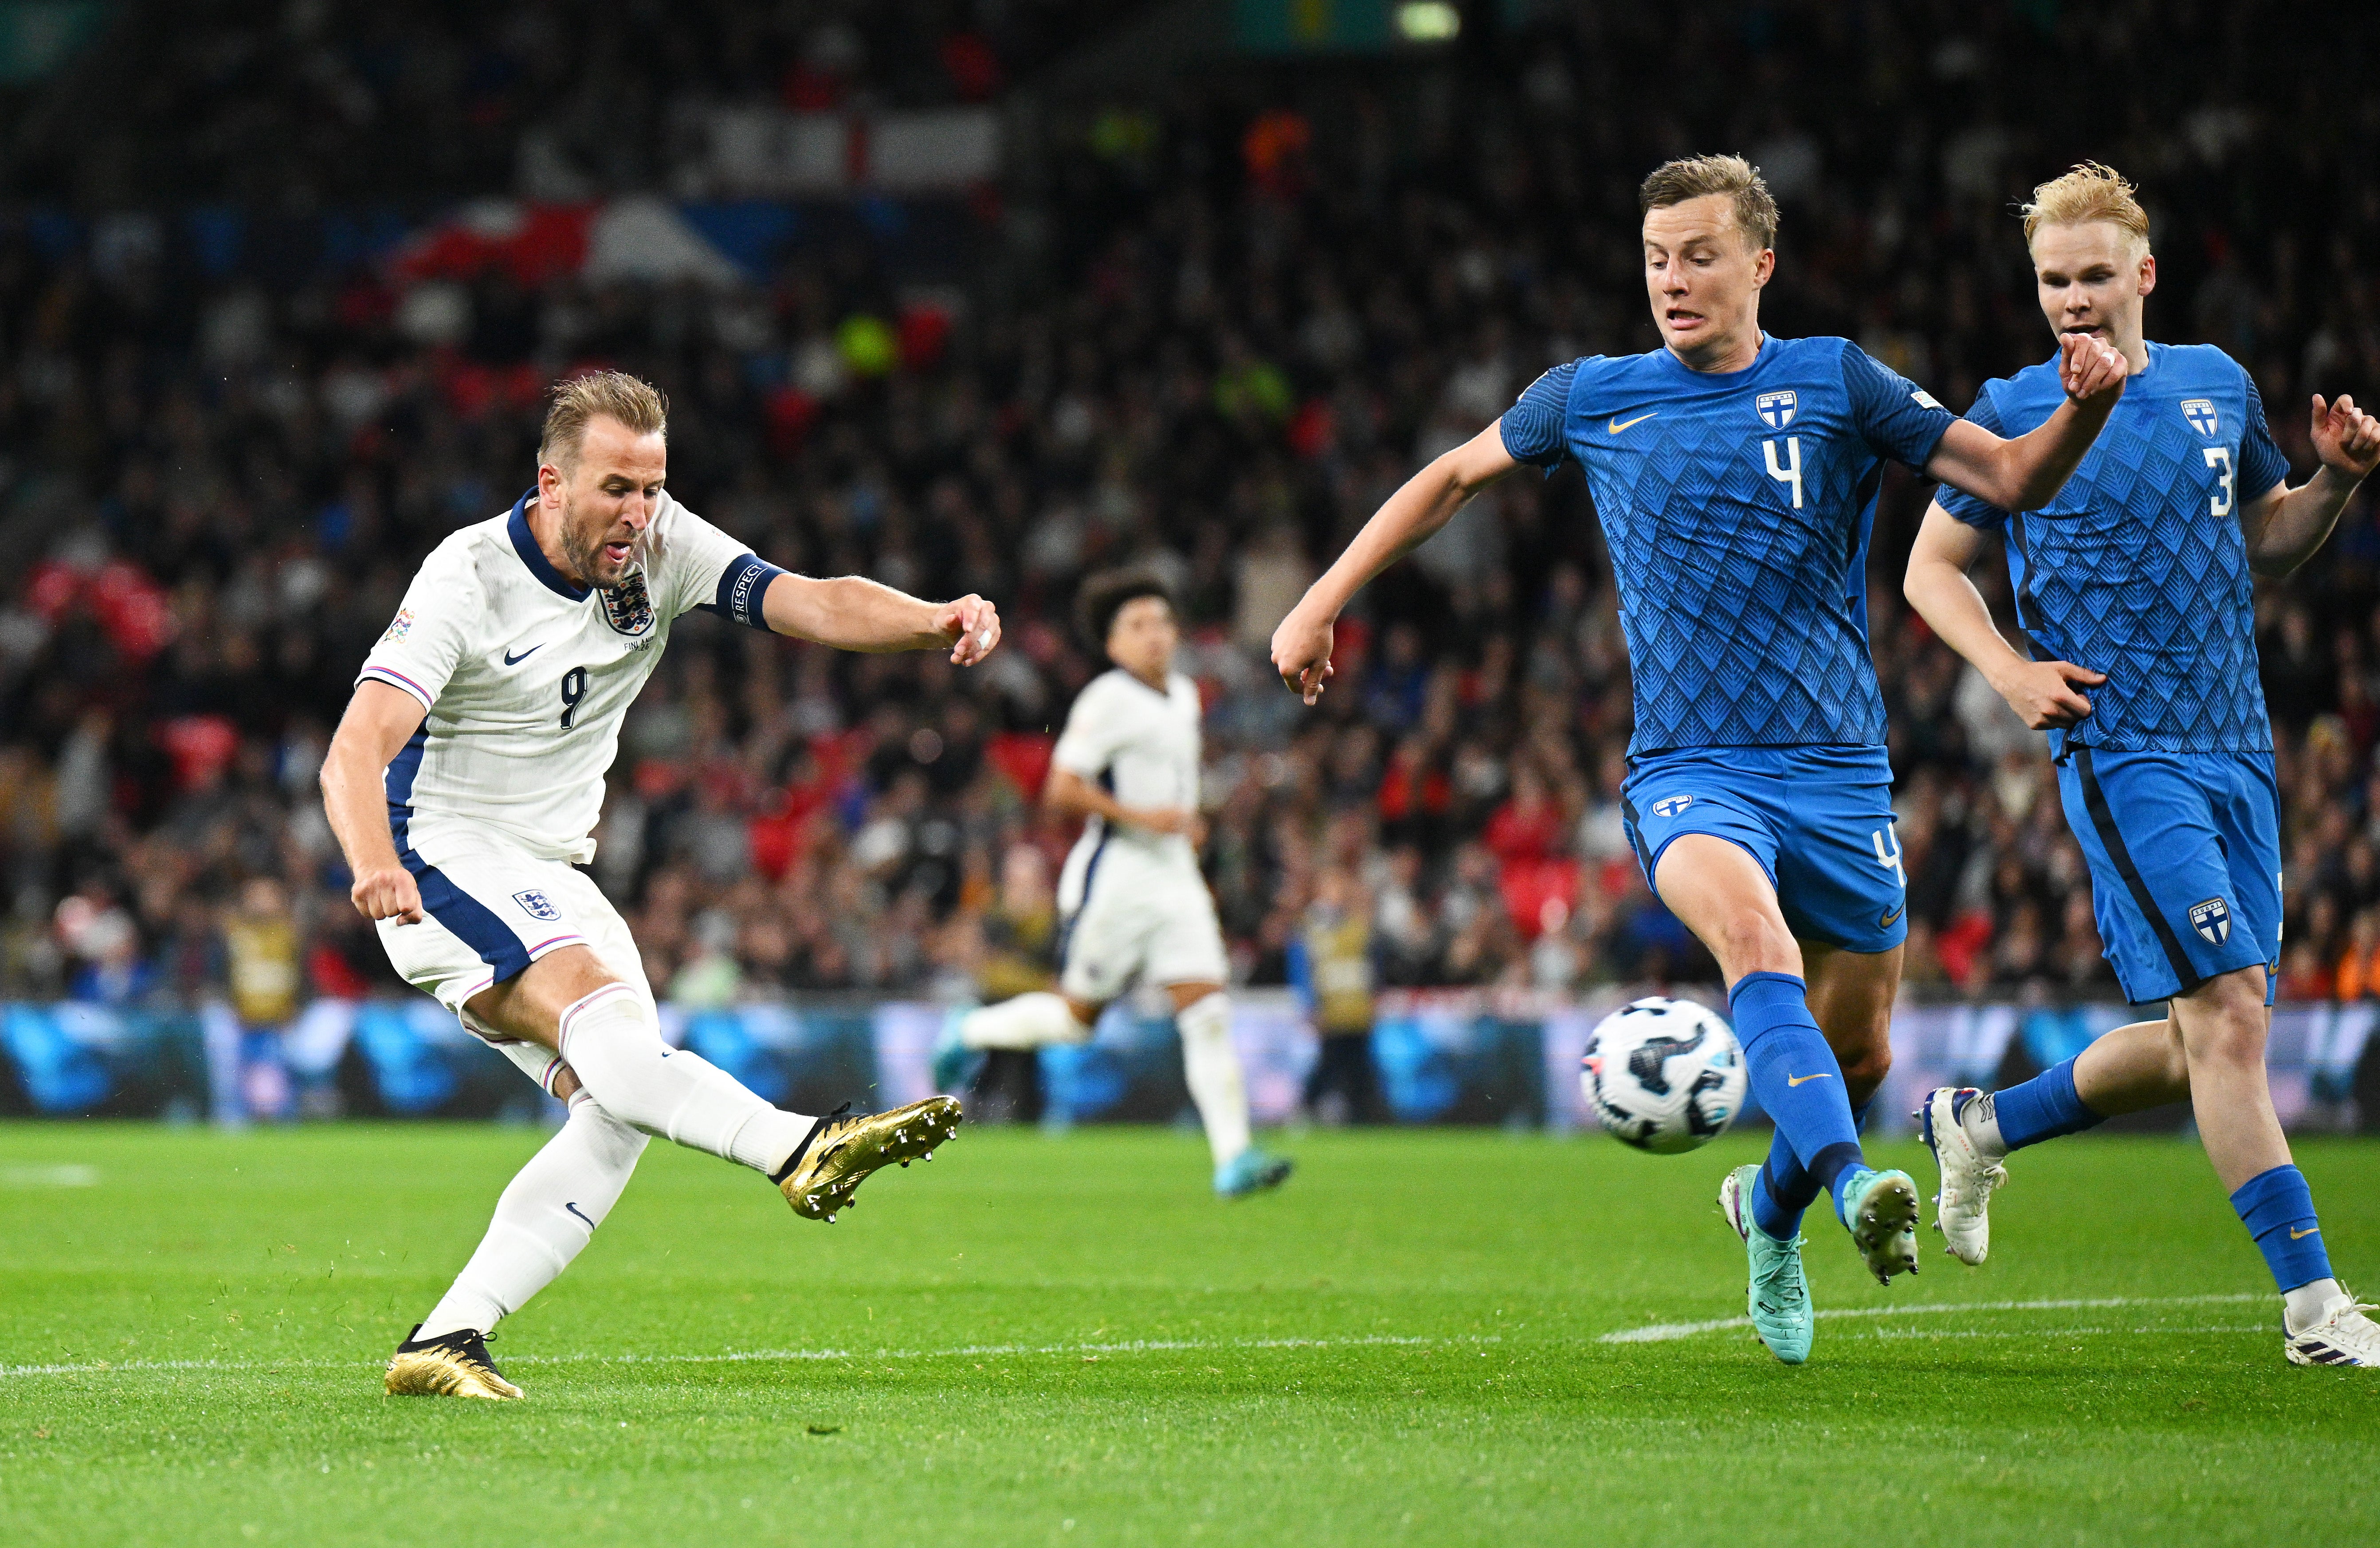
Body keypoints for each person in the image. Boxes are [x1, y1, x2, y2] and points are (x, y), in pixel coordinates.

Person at [1270, 154, 2127, 1364]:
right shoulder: (1595, 396)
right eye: (1658, 257)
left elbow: (2009, 474)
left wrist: (2084, 407)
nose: (1674, 279)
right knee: (1755, 943)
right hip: (1690, 767)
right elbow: (1453, 477)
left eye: (1701, 255)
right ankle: (1848, 1185)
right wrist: (1323, 599)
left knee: (1864, 1050)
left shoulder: (1836, 379)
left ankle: (1766, 1213)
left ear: (1760, 263)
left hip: (1836, 769)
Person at [320, 371, 997, 1399]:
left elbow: (807, 599)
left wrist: (931, 619)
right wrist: (373, 861)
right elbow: (356, 746)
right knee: (604, 1024)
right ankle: (800, 1149)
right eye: (614, 490)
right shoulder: (467, 575)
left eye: (651, 487)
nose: (637, 515)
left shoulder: (664, 544)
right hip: (440, 857)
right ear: (550, 482)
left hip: (550, 871)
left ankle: (448, 1338)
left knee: (618, 1096)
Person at [1902, 163, 2380, 1368]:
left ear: (2143, 274)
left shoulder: (2218, 385)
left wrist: (2336, 480)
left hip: (2236, 744)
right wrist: (2009, 674)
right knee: (2228, 1025)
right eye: (2054, 280)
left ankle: (1982, 1125)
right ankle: (2316, 1305)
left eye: (2094, 275)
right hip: (2122, 747)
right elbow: (1928, 569)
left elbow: (2268, 542)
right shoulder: (2014, 408)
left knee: (2201, 1039)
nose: (2072, 297)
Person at [936, 570, 1293, 1197]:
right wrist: (1145, 818)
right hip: (1117, 878)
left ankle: (1233, 1158)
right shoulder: (1106, 700)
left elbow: (1170, 782)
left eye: (1161, 622)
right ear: (1113, 644)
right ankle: (972, 1029)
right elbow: (1061, 791)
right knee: (1077, 1022)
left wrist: (1188, 821)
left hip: (1175, 878)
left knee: (1208, 1011)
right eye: (1137, 626)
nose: (1154, 635)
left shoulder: (1184, 695)